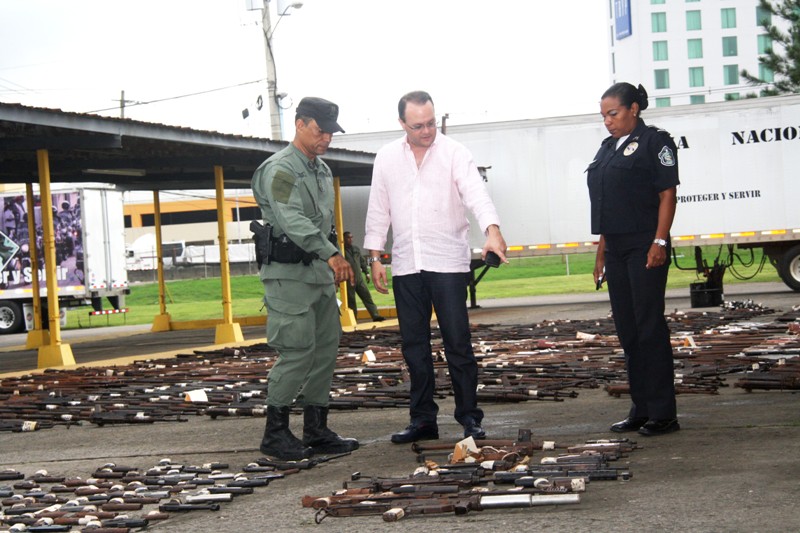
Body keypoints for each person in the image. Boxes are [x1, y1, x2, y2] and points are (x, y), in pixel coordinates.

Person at [364, 90, 507, 444]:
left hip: (447, 264)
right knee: (414, 347)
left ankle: (469, 418)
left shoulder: (455, 153)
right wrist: (375, 257)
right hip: (406, 265)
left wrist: (492, 230)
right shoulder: (386, 158)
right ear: (402, 123)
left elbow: (476, 194)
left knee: (458, 343)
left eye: (431, 123)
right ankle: (423, 420)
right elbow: (379, 208)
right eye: (418, 126)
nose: (427, 131)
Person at [251, 96, 359, 460]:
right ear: (299, 124)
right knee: (296, 352)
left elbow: (324, 223)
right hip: (289, 278)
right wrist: (331, 253)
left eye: (330, 132)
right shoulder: (281, 170)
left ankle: (316, 429)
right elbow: (291, 219)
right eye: (320, 130)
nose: (326, 138)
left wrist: (332, 259)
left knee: (325, 350)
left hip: (318, 276)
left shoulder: (321, 170)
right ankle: (275, 434)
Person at [586, 82, 680, 437]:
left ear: (633, 109)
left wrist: (659, 241)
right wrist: (601, 254)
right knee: (628, 330)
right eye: (603, 116)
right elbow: (607, 206)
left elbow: (667, 194)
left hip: (644, 245)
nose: (607, 121)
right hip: (616, 248)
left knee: (648, 327)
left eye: (613, 114)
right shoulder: (607, 148)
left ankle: (663, 413)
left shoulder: (656, 142)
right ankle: (641, 409)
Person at [343, 231, 384, 322]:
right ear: (343, 239)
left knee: (367, 297)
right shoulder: (341, 250)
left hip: (359, 279)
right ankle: (353, 319)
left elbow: (362, 261)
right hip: (348, 280)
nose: (351, 239)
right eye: (348, 238)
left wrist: (367, 273)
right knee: (351, 301)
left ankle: (375, 315)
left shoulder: (356, 249)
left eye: (351, 237)